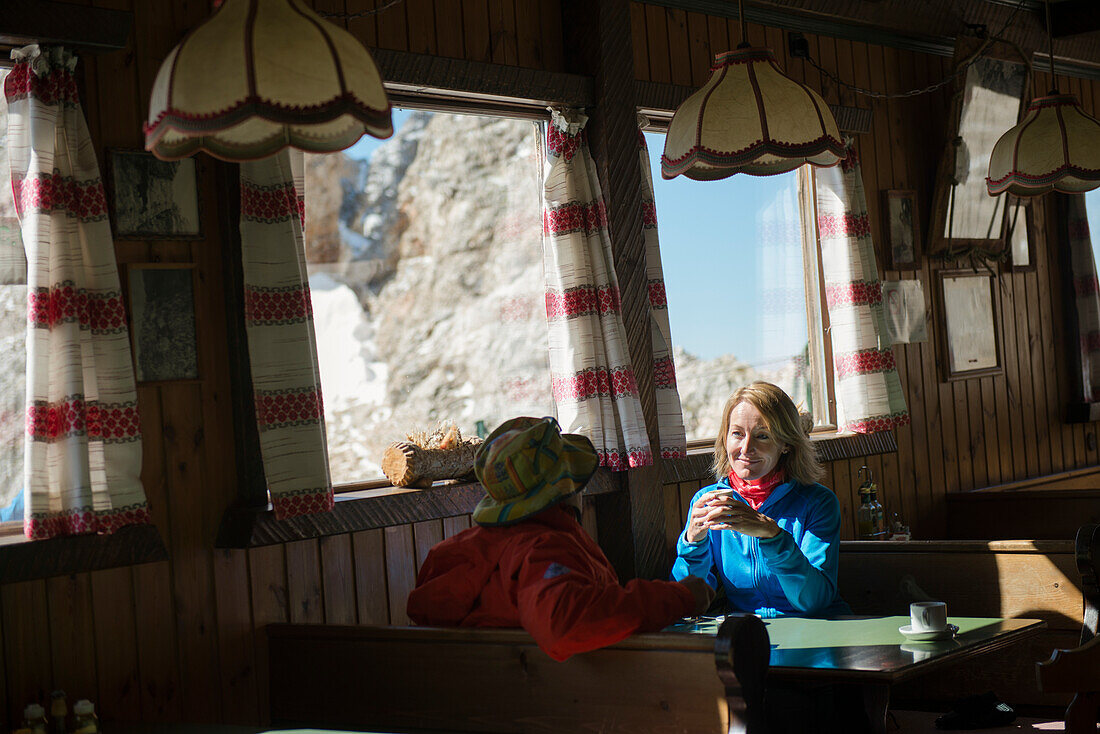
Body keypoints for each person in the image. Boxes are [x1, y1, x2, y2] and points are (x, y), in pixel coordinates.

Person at [407, 416, 715, 661]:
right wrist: (679, 598)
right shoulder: (544, 548)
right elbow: (565, 625)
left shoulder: (467, 549)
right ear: (567, 488)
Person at [672, 382, 850, 617]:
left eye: (762, 436)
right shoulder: (708, 501)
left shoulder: (818, 503)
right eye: (737, 433)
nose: (746, 448)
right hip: (752, 634)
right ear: (725, 439)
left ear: (786, 444)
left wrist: (772, 536)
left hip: (822, 627)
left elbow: (814, 601)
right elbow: (686, 600)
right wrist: (692, 542)